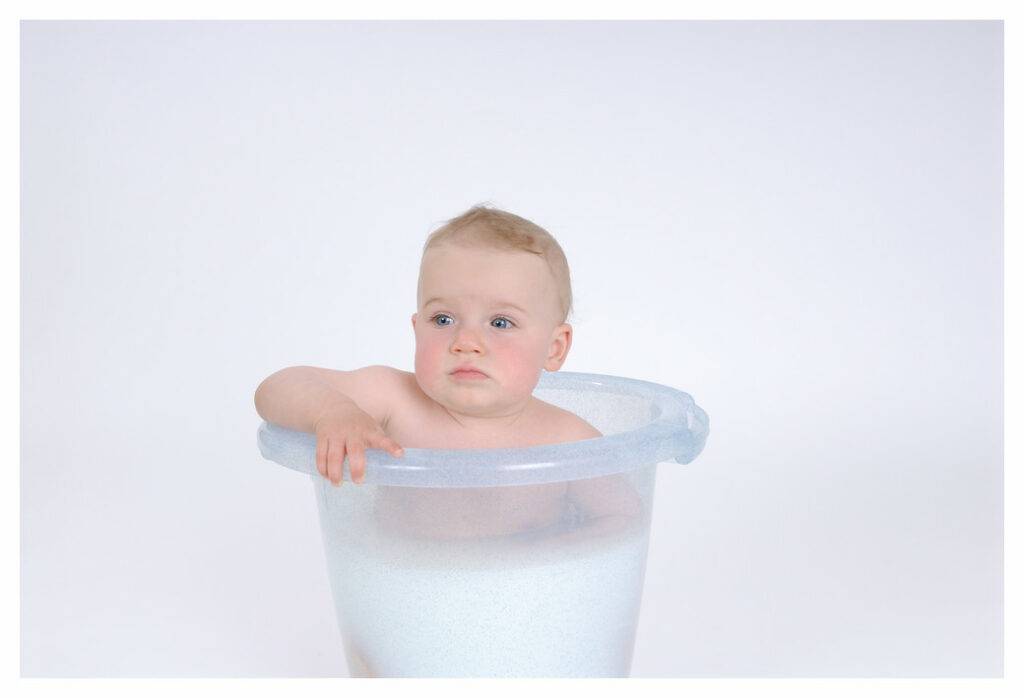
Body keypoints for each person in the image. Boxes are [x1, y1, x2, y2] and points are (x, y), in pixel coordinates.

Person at [254, 205, 643, 543]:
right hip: (399, 597)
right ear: (416, 328)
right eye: (443, 318)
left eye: (501, 322)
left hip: (526, 606)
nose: (466, 341)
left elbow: (623, 518)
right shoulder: (395, 401)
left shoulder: (568, 441)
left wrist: (542, 554)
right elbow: (277, 388)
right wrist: (334, 413)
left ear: (554, 348)